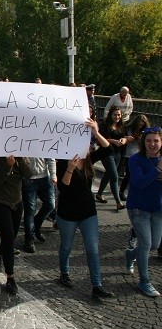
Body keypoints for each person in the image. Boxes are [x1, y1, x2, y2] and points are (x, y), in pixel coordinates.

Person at [56, 119, 116, 298]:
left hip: (88, 211)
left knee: (93, 248)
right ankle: (64, 273)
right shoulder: (63, 160)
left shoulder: (89, 158)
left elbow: (109, 149)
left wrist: (96, 132)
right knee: (66, 246)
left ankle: (96, 285)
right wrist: (70, 169)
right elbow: (63, 188)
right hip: (68, 212)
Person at [124, 126, 162, 297]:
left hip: (158, 209)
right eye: (148, 141)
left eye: (156, 141)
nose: (152, 144)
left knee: (155, 245)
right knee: (146, 244)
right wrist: (158, 170)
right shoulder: (135, 160)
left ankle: (131, 254)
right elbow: (139, 183)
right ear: (143, 142)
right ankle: (144, 281)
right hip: (138, 209)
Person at [0, 154, 33, 295]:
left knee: (11, 237)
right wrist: (8, 165)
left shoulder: (21, 158)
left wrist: (20, 160)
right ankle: (10, 277)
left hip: (16, 203)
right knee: (8, 238)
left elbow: (29, 174)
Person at [95, 106, 129, 211]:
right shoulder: (105, 125)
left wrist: (124, 140)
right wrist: (113, 141)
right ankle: (118, 202)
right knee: (114, 176)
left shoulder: (122, 125)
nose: (117, 117)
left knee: (109, 174)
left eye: (119, 114)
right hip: (106, 153)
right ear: (110, 115)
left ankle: (99, 194)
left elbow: (125, 137)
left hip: (118, 153)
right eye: (115, 114)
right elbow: (100, 139)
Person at [21, 157, 56, 253]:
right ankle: (29, 239)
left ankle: (36, 224)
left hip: (44, 177)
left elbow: (50, 157)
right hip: (28, 178)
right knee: (30, 210)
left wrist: (53, 175)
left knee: (50, 205)